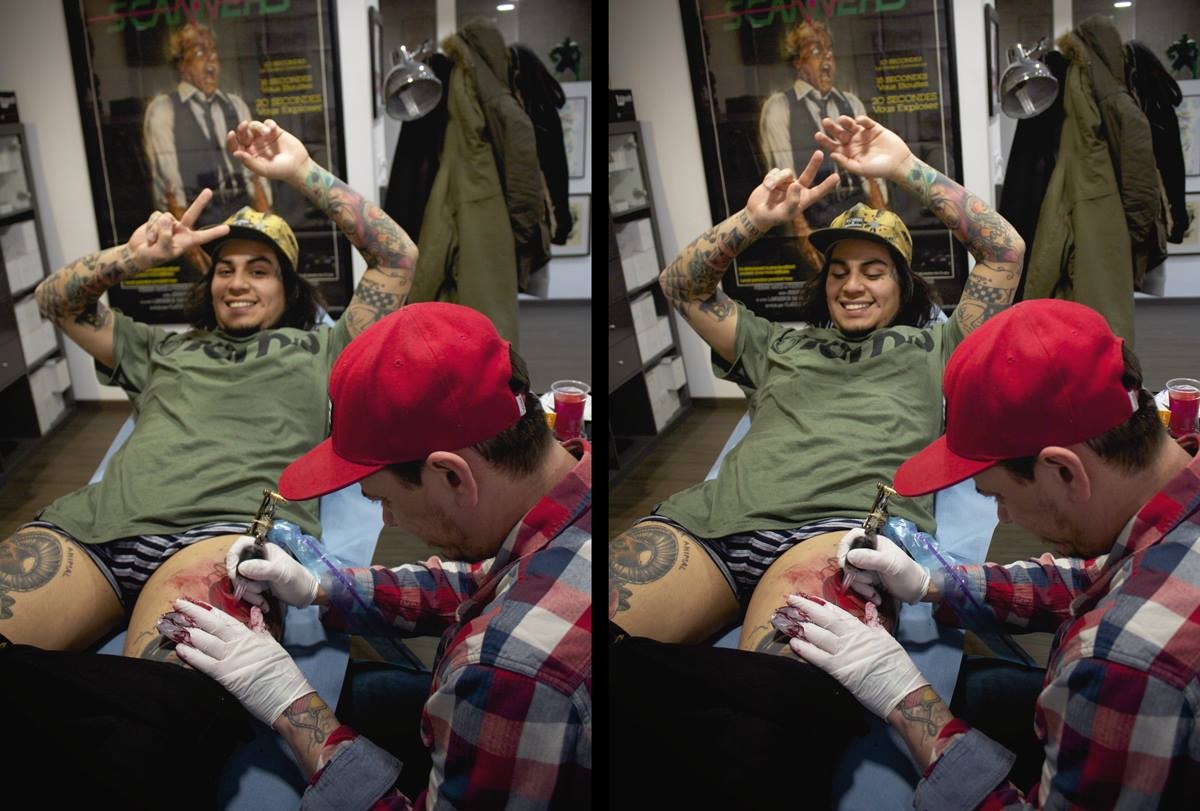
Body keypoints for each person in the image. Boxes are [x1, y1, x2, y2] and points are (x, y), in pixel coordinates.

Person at [609, 114, 1025, 655]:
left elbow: (1003, 251)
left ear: (902, 285)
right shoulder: (774, 344)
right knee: (584, 639)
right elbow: (682, 286)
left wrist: (904, 167)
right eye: (839, 270)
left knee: (775, 691)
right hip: (709, 524)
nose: (852, 285)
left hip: (838, 533)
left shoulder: (939, 348)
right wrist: (754, 220)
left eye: (873, 271)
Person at [157, 302, 592, 808]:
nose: (388, 520)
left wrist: (291, 706)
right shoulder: (572, 490)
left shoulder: (507, 673)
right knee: (365, 691)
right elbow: (483, 579)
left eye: (383, 499)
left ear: (453, 477)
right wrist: (322, 586)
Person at [13, 117, 416, 660]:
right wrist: (134, 257)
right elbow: (54, 300)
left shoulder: (325, 349)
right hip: (91, 529)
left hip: (223, 537)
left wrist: (302, 171)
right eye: (225, 270)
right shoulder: (161, 348)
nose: (238, 283)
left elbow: (397, 258)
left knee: (156, 701)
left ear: (288, 288)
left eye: (260, 270)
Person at [791, 298, 1200, 808]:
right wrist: (931, 583)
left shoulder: (1121, 666)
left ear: (1064, 471)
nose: (1003, 517)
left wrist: (905, 699)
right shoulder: (1173, 491)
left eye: (998, 496)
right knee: (979, 687)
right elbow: (1101, 575)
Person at [143, 21, 271, 273]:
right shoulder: (164, 110)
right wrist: (190, 248)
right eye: (200, 53)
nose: (211, 61)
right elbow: (169, 189)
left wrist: (269, 228)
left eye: (214, 52)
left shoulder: (235, 106)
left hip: (245, 220)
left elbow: (254, 175)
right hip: (200, 228)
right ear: (181, 64)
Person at [758, 19, 885, 270]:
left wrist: (883, 219)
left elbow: (871, 174)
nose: (827, 59)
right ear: (798, 62)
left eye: (829, 51)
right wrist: (802, 234)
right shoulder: (779, 108)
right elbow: (785, 180)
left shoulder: (851, 103)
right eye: (816, 51)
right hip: (817, 224)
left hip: (861, 218)